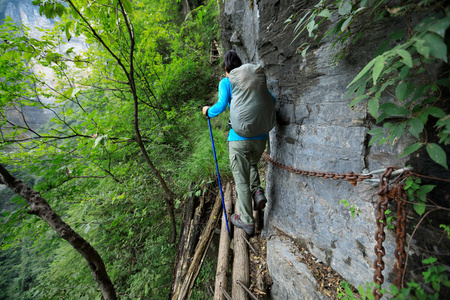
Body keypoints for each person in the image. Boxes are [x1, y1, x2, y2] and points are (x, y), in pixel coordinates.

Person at [202, 50, 274, 235]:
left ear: (226, 68)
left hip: (239, 138)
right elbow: (271, 100)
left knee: (241, 180)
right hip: (261, 138)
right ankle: (258, 192)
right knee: (251, 163)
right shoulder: (252, 81)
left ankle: (247, 221)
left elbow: (219, 106)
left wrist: (207, 111)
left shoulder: (227, 81)